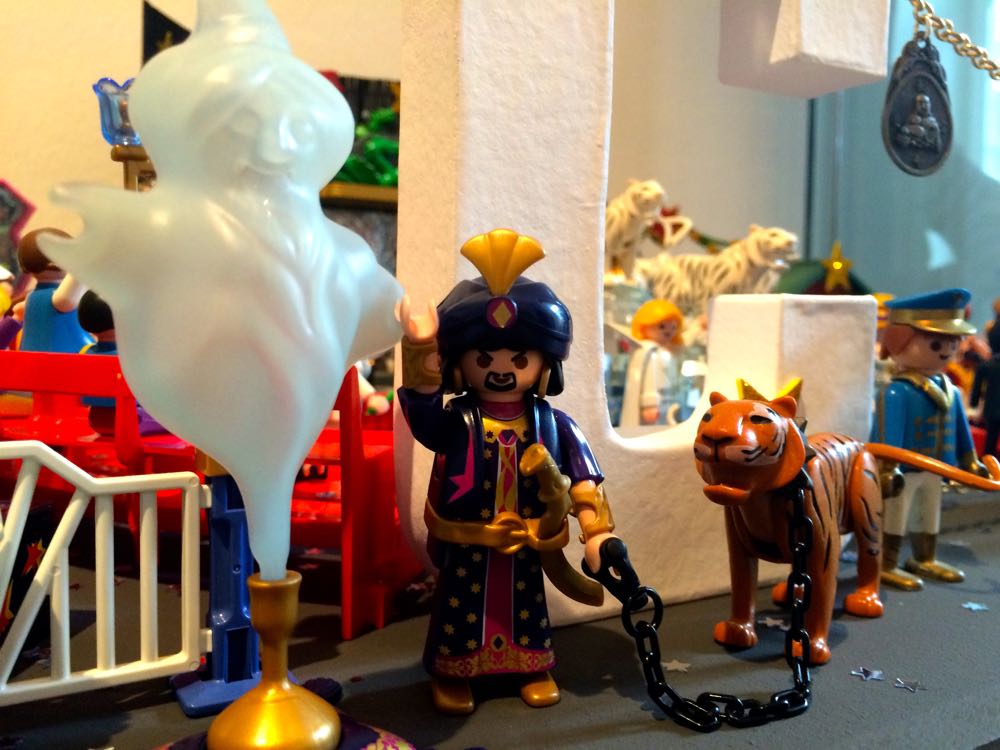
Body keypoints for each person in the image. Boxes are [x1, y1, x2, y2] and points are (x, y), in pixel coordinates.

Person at [397, 229, 635, 714]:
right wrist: (420, 354)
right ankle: (455, 671)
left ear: (544, 364)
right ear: (459, 364)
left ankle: (530, 666)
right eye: (484, 358)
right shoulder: (459, 421)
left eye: (520, 359)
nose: (501, 369)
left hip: (528, 542)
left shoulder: (554, 424)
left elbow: (585, 481)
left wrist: (595, 533)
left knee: (526, 608)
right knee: (462, 609)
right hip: (471, 540)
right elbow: (423, 421)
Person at [873, 288, 988, 591]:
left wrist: (969, 460)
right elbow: (887, 434)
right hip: (903, 470)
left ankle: (924, 557)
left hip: (937, 467)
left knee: (929, 512)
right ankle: (886, 563)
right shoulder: (897, 391)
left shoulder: (949, 389)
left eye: (953, 342)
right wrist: (887, 468)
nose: (946, 351)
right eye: (936, 343)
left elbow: (961, 429)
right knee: (896, 514)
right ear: (899, 341)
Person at [16, 228, 91, 353]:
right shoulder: (58, 298)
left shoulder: (33, 297)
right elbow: (68, 299)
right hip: (64, 355)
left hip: (34, 354)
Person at [620, 299, 685, 426]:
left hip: (667, 400)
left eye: (673, 327)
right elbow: (649, 378)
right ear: (644, 326)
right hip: (655, 405)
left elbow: (684, 345)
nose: (668, 331)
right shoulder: (650, 351)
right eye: (661, 326)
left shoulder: (666, 351)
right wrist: (649, 403)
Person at [971, 315, 1000, 459]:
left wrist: (974, 403)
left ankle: (987, 465)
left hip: (991, 410)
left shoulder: (987, 365)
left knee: (990, 442)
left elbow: (977, 387)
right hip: (991, 410)